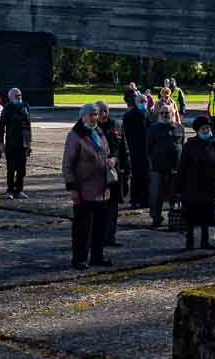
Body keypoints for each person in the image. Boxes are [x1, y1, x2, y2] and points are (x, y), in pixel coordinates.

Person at [63, 104, 113, 271]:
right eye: (92, 115)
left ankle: (97, 257)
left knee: (100, 225)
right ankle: (79, 259)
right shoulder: (75, 135)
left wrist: (113, 161)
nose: (95, 117)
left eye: (97, 114)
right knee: (82, 227)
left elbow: (107, 153)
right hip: (84, 189)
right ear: (83, 116)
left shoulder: (99, 131)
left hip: (102, 188)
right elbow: (67, 164)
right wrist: (73, 188)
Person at [175, 116, 215, 250]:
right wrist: (178, 188)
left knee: (207, 216)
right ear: (197, 131)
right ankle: (190, 242)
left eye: (207, 128)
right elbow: (182, 167)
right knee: (191, 216)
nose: (206, 130)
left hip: (210, 186)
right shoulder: (189, 146)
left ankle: (205, 241)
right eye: (203, 128)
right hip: (192, 187)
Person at [96, 101, 129, 247]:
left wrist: (126, 170)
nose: (103, 114)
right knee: (99, 208)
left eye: (105, 111)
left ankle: (110, 237)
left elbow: (123, 149)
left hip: (115, 172)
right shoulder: (93, 127)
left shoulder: (116, 125)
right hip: (98, 173)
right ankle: (98, 238)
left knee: (113, 208)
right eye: (100, 111)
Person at [146, 103, 184, 228]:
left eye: (167, 113)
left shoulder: (179, 128)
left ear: (172, 114)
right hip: (158, 168)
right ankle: (156, 218)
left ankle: (174, 217)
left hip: (175, 168)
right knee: (156, 196)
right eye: (162, 113)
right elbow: (148, 147)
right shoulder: (153, 128)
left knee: (175, 196)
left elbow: (182, 145)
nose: (164, 115)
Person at [0, 88, 32, 199]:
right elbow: (1, 126)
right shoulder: (7, 108)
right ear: (11, 97)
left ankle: (19, 190)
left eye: (20, 95)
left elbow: (28, 126)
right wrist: (1, 142)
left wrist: (29, 144)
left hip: (23, 143)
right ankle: (10, 190)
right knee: (11, 168)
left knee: (21, 169)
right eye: (16, 95)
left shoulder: (25, 107)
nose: (19, 97)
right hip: (11, 143)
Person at [121, 95, 151, 208]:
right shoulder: (129, 115)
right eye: (141, 101)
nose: (143, 103)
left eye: (145, 101)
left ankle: (145, 199)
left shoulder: (148, 113)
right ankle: (135, 199)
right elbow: (127, 134)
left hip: (146, 149)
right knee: (136, 176)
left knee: (146, 175)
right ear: (135, 102)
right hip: (134, 149)